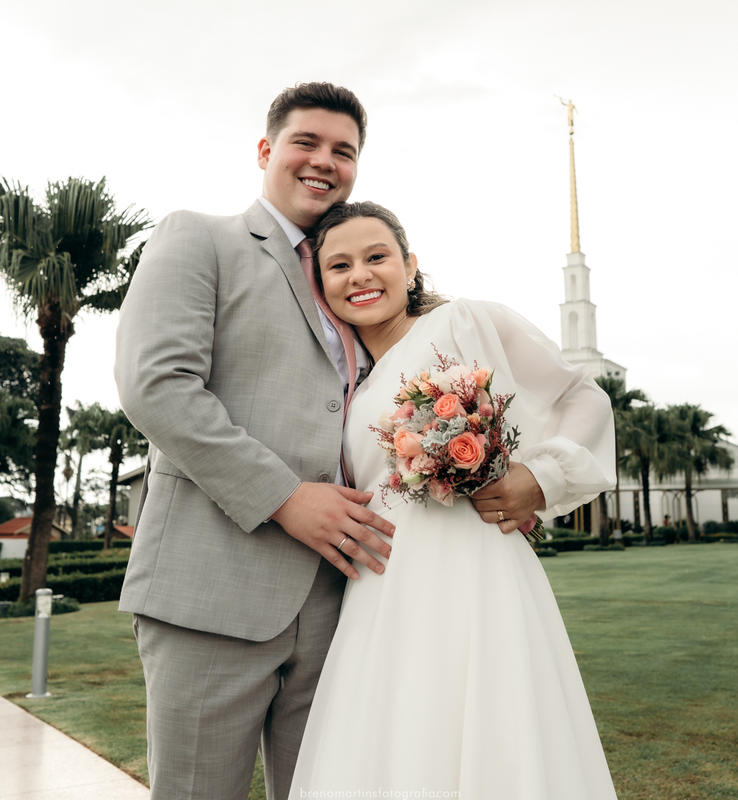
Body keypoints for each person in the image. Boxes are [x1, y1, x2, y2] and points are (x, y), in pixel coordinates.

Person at [114, 85, 546, 800]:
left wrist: (506, 475)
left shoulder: (353, 286)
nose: (324, 160)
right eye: (306, 143)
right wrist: (284, 497)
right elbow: (156, 386)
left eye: (343, 151)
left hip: (340, 608)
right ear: (265, 150)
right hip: (213, 594)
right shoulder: (199, 238)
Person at [288, 201, 620, 799]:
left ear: (410, 265)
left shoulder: (467, 322)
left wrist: (541, 476)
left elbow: (582, 395)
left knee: (493, 730)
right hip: (383, 590)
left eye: (376, 256)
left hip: (477, 575)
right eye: (339, 265)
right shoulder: (348, 383)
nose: (360, 275)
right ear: (321, 285)